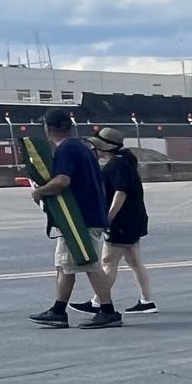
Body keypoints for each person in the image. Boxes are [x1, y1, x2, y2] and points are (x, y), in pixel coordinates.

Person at [28, 110, 120, 328]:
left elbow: (62, 181)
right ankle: (59, 310)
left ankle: (108, 311)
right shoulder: (83, 147)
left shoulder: (66, 149)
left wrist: (40, 191)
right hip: (87, 216)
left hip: (78, 220)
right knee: (66, 265)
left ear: (48, 129)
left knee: (88, 263)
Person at [70, 128, 156, 316]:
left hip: (122, 222)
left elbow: (120, 192)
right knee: (134, 261)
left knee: (108, 261)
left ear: (104, 147)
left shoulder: (115, 166)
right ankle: (147, 300)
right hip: (133, 219)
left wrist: (108, 218)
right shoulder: (126, 161)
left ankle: (98, 301)